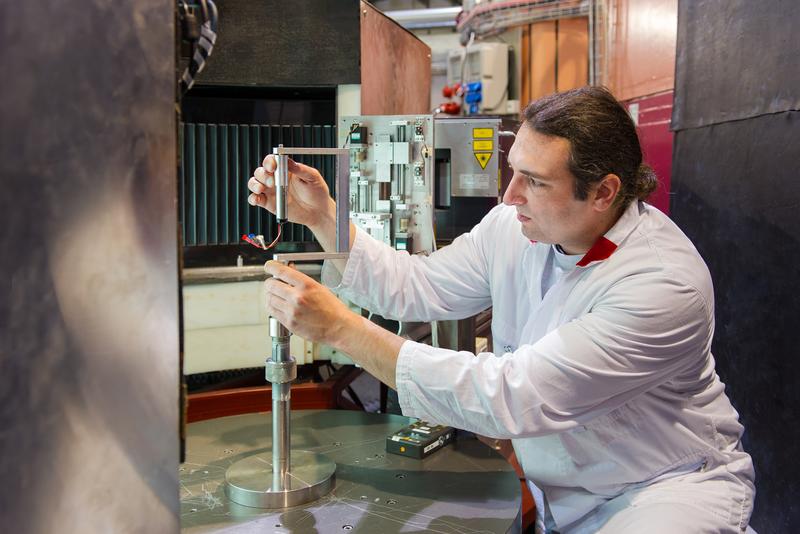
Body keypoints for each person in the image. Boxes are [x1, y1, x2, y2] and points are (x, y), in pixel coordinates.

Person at [247, 86, 754, 533]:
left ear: (603, 192)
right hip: (567, 494)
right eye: (514, 172)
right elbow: (416, 285)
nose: (509, 196)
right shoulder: (514, 228)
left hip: (662, 496)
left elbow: (513, 395)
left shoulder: (662, 285)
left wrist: (343, 329)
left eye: (534, 181)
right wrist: (323, 217)